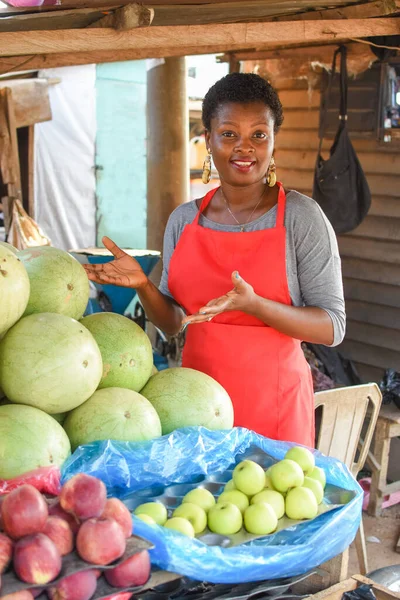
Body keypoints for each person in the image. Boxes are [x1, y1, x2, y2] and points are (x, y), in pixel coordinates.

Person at [84, 72, 346, 447]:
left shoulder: (301, 218)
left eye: (259, 134)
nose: (245, 147)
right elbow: (174, 323)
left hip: (274, 408)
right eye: (228, 134)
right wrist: (143, 286)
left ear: (274, 141)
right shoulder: (183, 221)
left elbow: (332, 326)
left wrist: (255, 305)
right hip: (192, 404)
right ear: (207, 139)